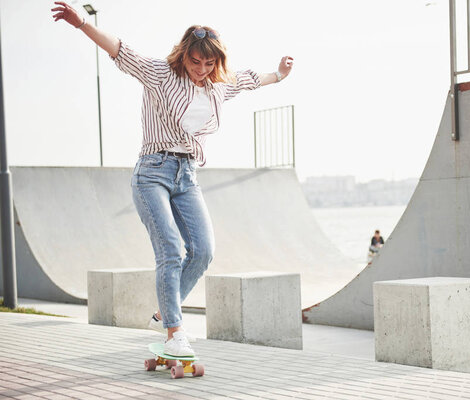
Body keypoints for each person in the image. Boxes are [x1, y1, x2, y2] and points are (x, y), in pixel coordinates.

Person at [52, 2, 293, 357]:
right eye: (195, 62)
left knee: (204, 251)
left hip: (187, 176)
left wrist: (280, 75)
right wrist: (81, 23)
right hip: (151, 173)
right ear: (184, 55)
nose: (201, 69)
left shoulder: (218, 85)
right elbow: (119, 48)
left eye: (209, 63)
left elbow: (250, 80)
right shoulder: (159, 73)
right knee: (170, 250)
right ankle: (174, 331)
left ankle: (165, 311)